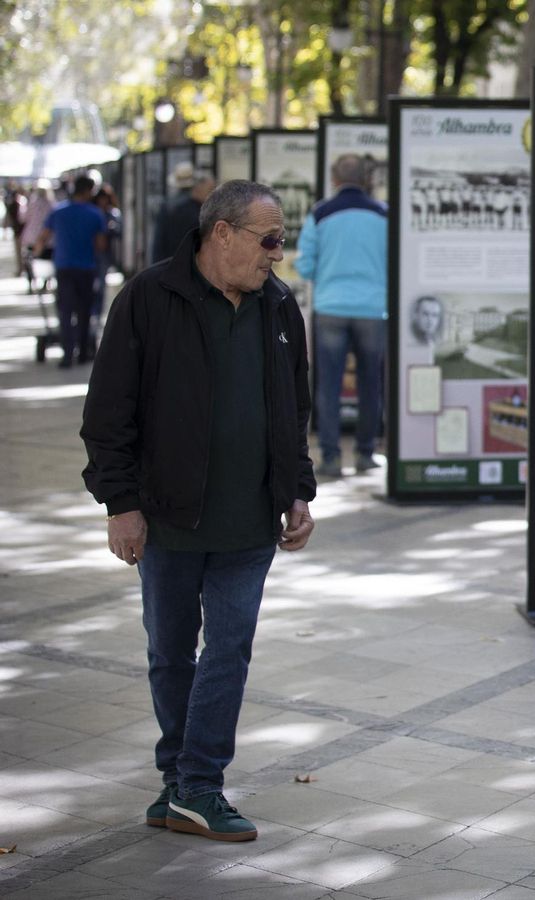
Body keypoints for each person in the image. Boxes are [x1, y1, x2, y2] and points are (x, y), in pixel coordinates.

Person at [81, 180, 317, 842]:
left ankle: (198, 783)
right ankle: (178, 781)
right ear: (222, 233)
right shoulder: (149, 299)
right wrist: (120, 504)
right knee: (170, 654)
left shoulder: (278, 306)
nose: (278, 253)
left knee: (230, 648)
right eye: (269, 239)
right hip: (167, 517)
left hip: (249, 521)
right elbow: (107, 415)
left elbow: (291, 411)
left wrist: (298, 488)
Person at [295, 154, 388, 478]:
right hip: (373, 309)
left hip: (331, 308)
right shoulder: (383, 214)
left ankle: (331, 457)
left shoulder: (320, 213)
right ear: (366, 179)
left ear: (335, 179)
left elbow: (305, 265)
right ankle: (365, 453)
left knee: (328, 385)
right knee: (371, 383)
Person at [32, 174, 107, 368]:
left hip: (64, 266)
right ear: (88, 191)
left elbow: (43, 238)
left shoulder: (59, 211)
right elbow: (100, 244)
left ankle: (67, 354)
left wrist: (35, 256)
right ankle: (82, 352)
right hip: (86, 267)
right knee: (84, 310)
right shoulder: (95, 214)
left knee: (65, 310)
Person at [151, 164, 216, 264]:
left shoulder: (167, 206)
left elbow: (159, 242)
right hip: (190, 263)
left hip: (168, 262)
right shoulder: (198, 207)